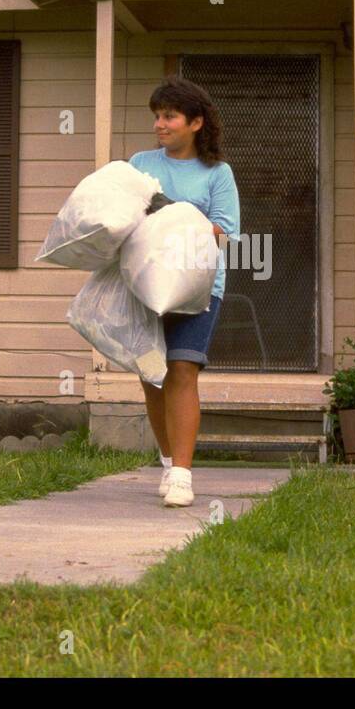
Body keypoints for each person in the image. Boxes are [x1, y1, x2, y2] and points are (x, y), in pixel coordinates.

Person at [128, 75, 240, 507]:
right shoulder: (141, 164)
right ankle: (168, 459)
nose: (159, 124)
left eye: (169, 116)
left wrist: (174, 217)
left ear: (195, 123)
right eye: (157, 116)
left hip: (198, 289)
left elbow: (225, 232)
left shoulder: (217, 173)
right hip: (144, 287)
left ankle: (182, 475)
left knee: (182, 370)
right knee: (151, 376)